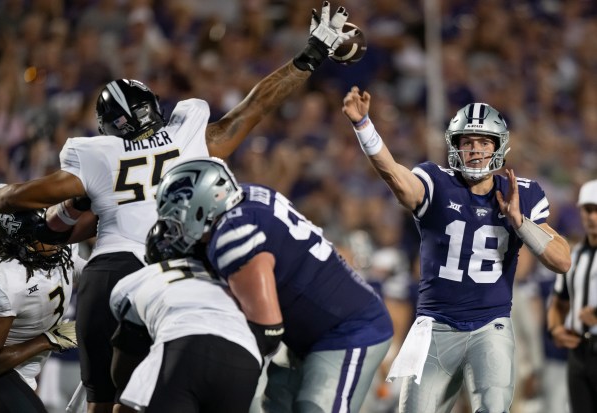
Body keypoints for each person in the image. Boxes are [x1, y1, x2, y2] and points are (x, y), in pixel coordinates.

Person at [0, 3, 357, 412]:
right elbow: (255, 107)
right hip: (175, 280)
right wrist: (312, 55)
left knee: (103, 404)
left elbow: (26, 197)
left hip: (112, 274)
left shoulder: (98, 157)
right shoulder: (188, 138)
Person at [341, 87, 571, 413]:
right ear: (455, 147)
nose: (475, 151)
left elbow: (562, 261)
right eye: (467, 143)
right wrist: (364, 126)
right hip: (435, 326)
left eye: (484, 142)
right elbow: (395, 176)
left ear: (499, 146)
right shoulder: (436, 181)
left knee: (493, 408)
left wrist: (521, 223)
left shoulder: (522, 194)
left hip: (490, 325)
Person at [153, 156, 393, 413]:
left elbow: (266, 331)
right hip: (308, 333)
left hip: (348, 331)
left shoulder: (234, 235)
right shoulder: (247, 195)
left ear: (203, 205)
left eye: (177, 211)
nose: (172, 224)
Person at [108, 220, 263, 413]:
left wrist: (124, 392)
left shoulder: (141, 278)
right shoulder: (229, 278)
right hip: (245, 359)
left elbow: (125, 363)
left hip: (183, 346)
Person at [0, 209, 84, 413]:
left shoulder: (56, 245)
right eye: (47, 233)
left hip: (22, 373)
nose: (58, 237)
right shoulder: (3, 276)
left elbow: (76, 267)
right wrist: (49, 340)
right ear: (23, 241)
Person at [547, 178, 597, 413]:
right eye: (588, 210)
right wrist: (555, 328)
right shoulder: (574, 255)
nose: (592, 217)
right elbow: (559, 300)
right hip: (578, 351)